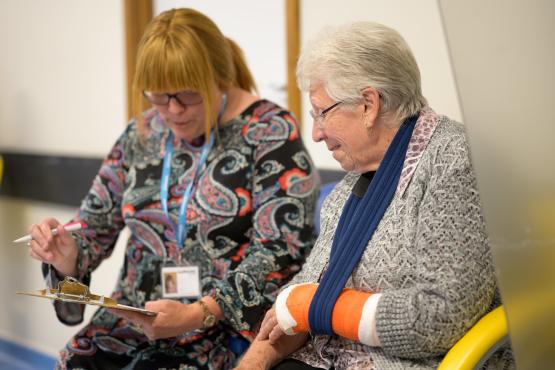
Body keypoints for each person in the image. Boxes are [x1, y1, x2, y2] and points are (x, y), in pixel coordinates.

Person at [26, 8, 318, 370]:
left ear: (219, 77)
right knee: (76, 361)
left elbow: (282, 251)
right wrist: (67, 255)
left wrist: (200, 313)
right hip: (137, 319)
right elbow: (93, 224)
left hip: (223, 325)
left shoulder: (270, 131)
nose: (174, 110)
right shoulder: (142, 133)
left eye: (188, 95)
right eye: (159, 97)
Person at [235, 22, 515, 370]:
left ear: (369, 104)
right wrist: (254, 362)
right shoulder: (348, 189)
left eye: (321, 113)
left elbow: (442, 316)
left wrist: (321, 308)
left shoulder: (456, 162)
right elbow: (302, 295)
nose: (316, 133)